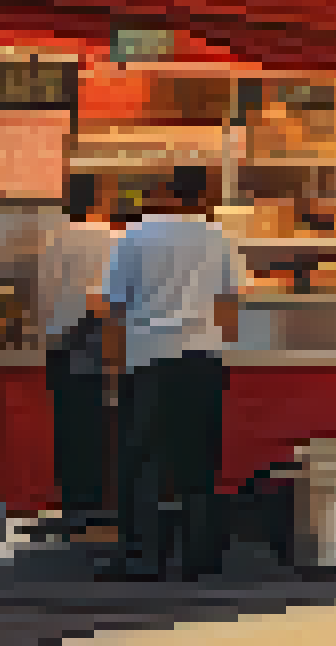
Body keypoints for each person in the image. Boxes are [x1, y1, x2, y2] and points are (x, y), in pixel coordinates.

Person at [98, 166, 244, 582]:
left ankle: (142, 558)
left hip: (147, 358)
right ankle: (199, 557)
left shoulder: (135, 236)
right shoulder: (217, 237)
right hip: (202, 357)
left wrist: (112, 372)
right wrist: (224, 346)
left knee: (141, 462)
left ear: (167, 191)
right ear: (202, 195)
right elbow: (229, 303)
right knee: (198, 460)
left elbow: (114, 310)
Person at [41, 172, 120, 534]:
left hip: (62, 340)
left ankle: (74, 504)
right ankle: (103, 504)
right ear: (97, 201)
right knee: (103, 423)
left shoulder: (53, 239)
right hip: (101, 337)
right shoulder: (116, 239)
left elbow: (44, 293)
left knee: (69, 425)